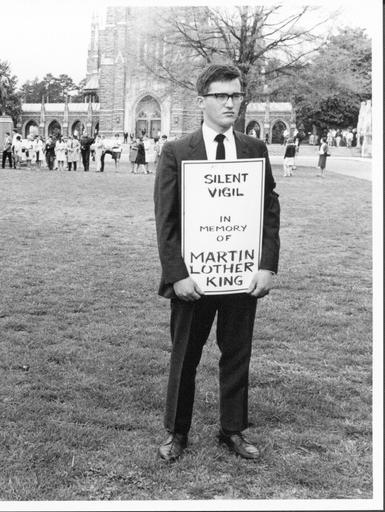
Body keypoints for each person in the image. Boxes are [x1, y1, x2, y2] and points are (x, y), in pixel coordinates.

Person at [153, 64, 280, 462]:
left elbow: (268, 210)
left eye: (236, 95)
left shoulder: (254, 149)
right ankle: (177, 432)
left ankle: (233, 429)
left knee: (237, 353)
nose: (230, 103)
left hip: (241, 274)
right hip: (194, 279)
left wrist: (266, 264)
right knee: (185, 355)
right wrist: (178, 275)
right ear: (201, 101)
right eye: (221, 95)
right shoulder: (177, 151)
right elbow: (167, 219)